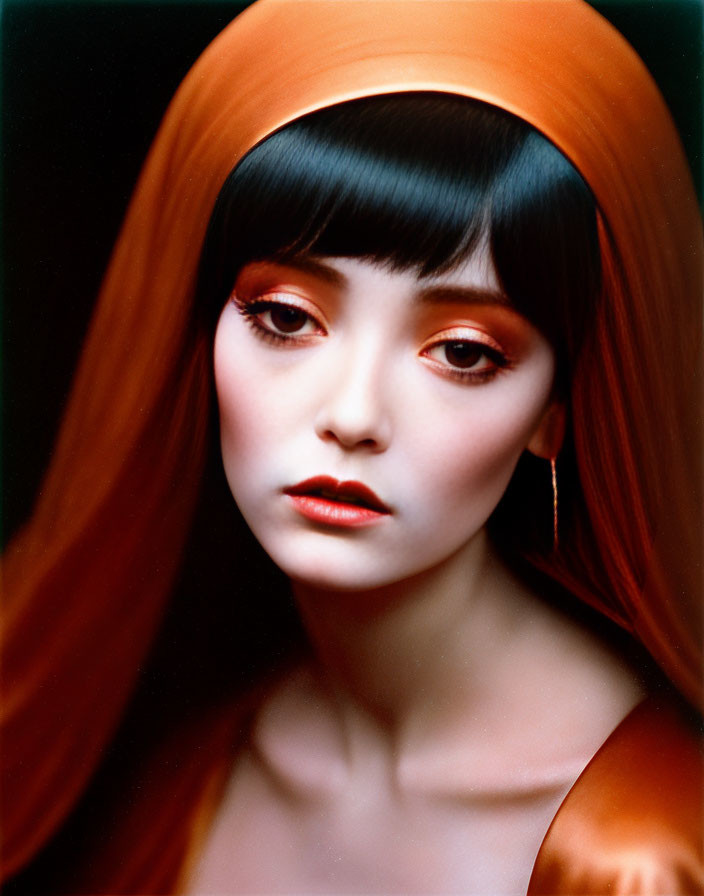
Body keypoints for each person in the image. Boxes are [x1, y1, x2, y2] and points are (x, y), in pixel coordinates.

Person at [2, 1, 701, 894]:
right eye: (288, 319)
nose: (354, 413)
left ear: (557, 411)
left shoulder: (645, 851)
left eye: (462, 353)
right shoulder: (188, 778)